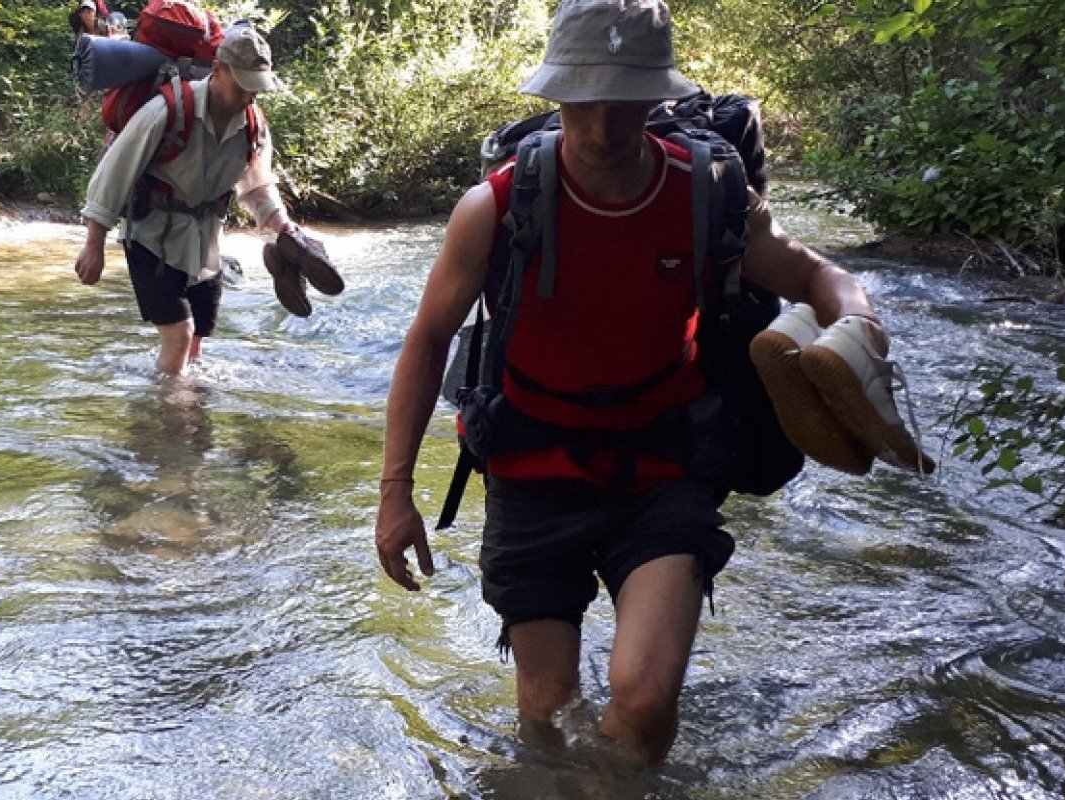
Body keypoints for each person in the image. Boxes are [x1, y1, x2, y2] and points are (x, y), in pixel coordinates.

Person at [374, 0, 914, 767]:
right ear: (554, 96)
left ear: (656, 99)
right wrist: (396, 493)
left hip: (665, 471)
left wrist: (855, 327)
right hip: (531, 471)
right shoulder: (497, 206)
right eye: (583, 104)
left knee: (644, 696)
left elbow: (819, 277)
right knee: (546, 716)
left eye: (623, 104)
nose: (600, 129)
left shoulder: (710, 195)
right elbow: (427, 342)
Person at [73, 24, 343, 375]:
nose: (249, 97)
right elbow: (113, 173)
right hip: (151, 239)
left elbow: (257, 188)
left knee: (199, 337)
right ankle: (167, 422)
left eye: (256, 89)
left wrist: (284, 229)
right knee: (179, 335)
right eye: (243, 86)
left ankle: (188, 415)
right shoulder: (167, 110)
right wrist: (94, 244)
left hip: (206, 245)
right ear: (218, 69)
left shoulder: (253, 125)